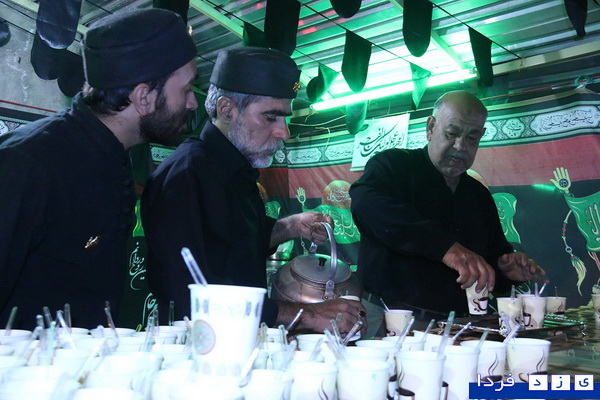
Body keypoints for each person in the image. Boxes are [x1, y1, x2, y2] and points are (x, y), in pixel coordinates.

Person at [141, 47, 366, 335]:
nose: (284, 132)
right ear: (227, 110)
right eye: (271, 118)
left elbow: (236, 246)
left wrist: (291, 226)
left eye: (285, 118)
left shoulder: (238, 173)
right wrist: (307, 315)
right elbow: (190, 296)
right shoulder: (188, 175)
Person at [0, 8, 198, 329]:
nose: (193, 103)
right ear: (143, 97)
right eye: (187, 89)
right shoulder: (29, 164)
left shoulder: (114, 159)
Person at [349, 91, 547, 335]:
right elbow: (366, 205)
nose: (460, 147)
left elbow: (491, 255)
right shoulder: (393, 166)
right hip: (389, 318)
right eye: (451, 134)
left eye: (472, 138)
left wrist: (505, 270)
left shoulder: (478, 194)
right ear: (431, 127)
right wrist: (445, 248)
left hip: (457, 326)